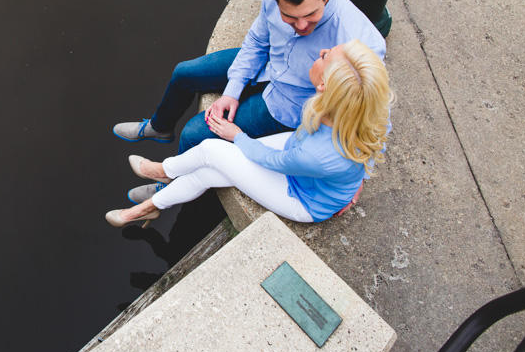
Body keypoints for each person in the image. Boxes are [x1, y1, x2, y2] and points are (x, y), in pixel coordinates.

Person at [113, 0, 386, 153]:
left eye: (311, 15)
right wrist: (232, 90)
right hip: (268, 66)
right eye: (290, 17)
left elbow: (374, 112)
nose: (302, 26)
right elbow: (257, 42)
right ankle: (160, 127)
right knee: (183, 73)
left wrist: (358, 173)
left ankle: (171, 185)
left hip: (290, 105)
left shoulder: (361, 40)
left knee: (194, 134)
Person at [105, 39, 393, 227]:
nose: (321, 51)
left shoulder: (317, 154)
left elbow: (273, 161)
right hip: (299, 158)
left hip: (302, 197)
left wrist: (236, 134)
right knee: (206, 173)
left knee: (211, 149)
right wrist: (357, 179)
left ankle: (161, 171)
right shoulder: (358, 105)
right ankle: (147, 208)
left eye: (327, 56)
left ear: (324, 87)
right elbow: (377, 130)